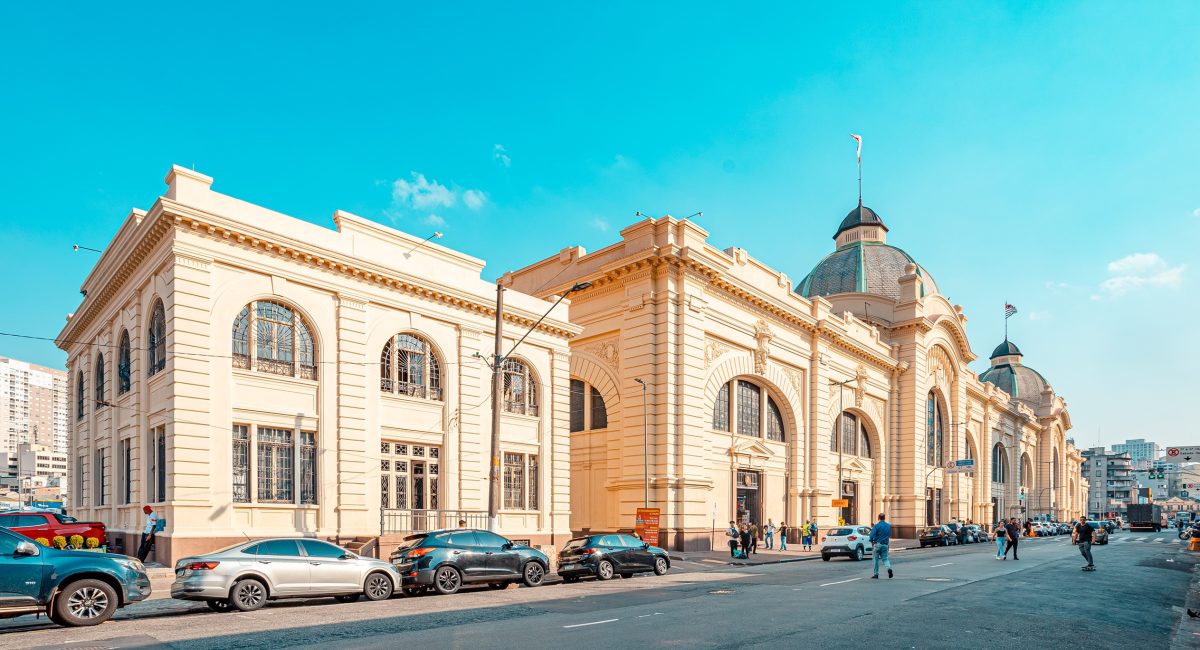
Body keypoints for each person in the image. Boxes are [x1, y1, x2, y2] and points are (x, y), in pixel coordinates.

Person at [869, 513, 893, 579]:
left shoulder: (876, 526)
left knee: (875, 560)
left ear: (878, 518)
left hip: (877, 544)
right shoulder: (888, 526)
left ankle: (876, 574)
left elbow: (871, 535)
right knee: (885, 559)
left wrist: (871, 541)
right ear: (884, 518)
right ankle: (889, 568)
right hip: (885, 545)